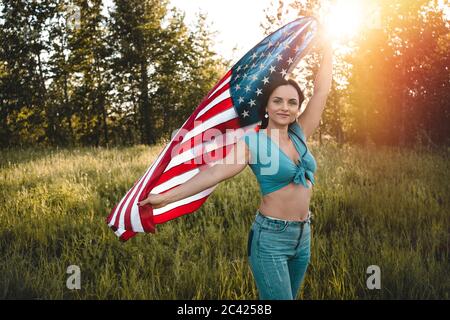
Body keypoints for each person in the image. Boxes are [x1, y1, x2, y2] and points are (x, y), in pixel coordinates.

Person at [138, 34, 333, 300]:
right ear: (265, 105)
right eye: (277, 101)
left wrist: (328, 44)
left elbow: (322, 90)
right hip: (270, 239)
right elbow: (216, 172)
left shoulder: (300, 133)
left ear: (298, 108)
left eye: (292, 102)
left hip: (303, 236)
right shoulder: (251, 142)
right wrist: (166, 197)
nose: (285, 108)